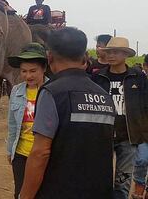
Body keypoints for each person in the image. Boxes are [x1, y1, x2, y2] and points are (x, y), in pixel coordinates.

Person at [19, 27, 115, 199]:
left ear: (49, 57)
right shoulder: (104, 96)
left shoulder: (52, 93)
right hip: (100, 191)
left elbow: (41, 152)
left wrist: (25, 196)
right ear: (85, 56)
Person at [91, 37, 148, 199]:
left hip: (128, 138)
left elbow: (145, 106)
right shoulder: (98, 78)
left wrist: (143, 133)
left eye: (116, 52)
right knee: (101, 179)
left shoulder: (138, 77)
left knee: (123, 182)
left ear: (125, 55)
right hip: (103, 135)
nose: (111, 55)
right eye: (108, 52)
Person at [5, 43, 49, 199]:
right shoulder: (17, 91)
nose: (28, 76)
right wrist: (10, 150)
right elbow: (12, 124)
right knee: (21, 193)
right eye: (24, 71)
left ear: (44, 68)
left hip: (45, 156)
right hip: (21, 154)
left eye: (33, 71)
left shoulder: (53, 90)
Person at [132, 55, 148, 199]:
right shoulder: (139, 83)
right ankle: (138, 189)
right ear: (145, 67)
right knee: (141, 160)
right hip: (143, 131)